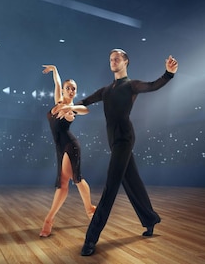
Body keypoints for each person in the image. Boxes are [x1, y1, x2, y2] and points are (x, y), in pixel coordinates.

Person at [62, 49, 178, 256]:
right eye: (110, 59)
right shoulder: (106, 90)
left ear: (126, 62)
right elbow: (84, 102)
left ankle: (90, 239)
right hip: (113, 141)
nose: (113, 61)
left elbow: (152, 86)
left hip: (125, 139)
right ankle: (150, 219)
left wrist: (168, 74)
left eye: (117, 58)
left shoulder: (130, 85)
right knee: (132, 181)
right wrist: (69, 108)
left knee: (111, 186)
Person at [39, 64, 96, 238]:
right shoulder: (58, 102)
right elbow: (56, 83)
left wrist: (70, 110)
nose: (71, 90)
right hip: (60, 147)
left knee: (69, 182)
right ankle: (90, 209)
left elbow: (85, 110)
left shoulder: (72, 107)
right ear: (63, 90)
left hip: (70, 146)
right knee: (69, 182)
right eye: (68, 88)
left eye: (74, 89)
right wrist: (55, 70)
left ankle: (49, 220)